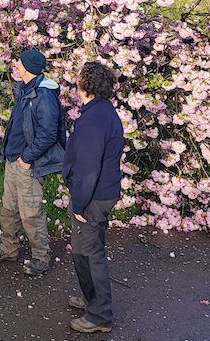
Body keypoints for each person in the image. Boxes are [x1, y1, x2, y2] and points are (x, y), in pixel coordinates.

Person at [0, 48, 66, 276]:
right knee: (8, 209)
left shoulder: (44, 95)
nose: (16, 66)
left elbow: (48, 134)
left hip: (28, 163)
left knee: (30, 211)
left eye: (18, 63)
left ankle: (41, 257)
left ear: (27, 67)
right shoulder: (26, 89)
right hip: (14, 159)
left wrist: (26, 159)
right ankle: (9, 250)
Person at [63, 61, 124, 333]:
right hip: (102, 192)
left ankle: (100, 315)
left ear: (85, 84)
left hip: (93, 196)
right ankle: (92, 300)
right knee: (86, 249)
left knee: (89, 253)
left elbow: (88, 167)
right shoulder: (103, 112)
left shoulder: (93, 119)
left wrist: (79, 203)